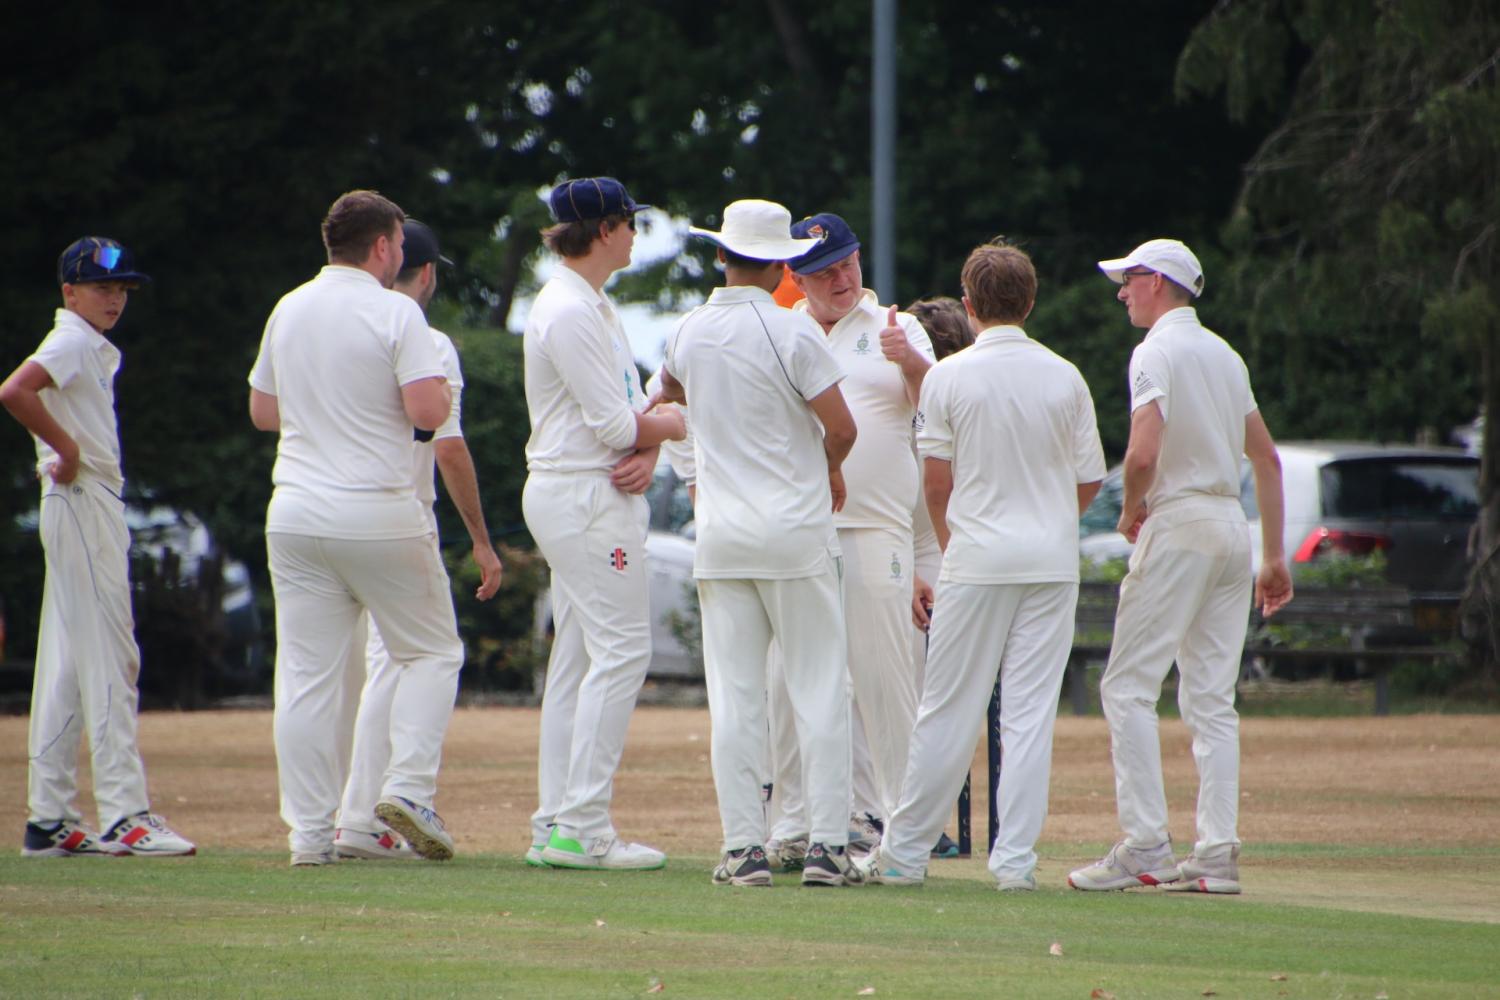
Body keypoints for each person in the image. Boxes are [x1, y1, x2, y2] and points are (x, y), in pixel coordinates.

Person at [855, 242, 1105, 890]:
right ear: (1032, 300)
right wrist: (1049, 523)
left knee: (947, 709)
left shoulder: (949, 376)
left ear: (969, 306)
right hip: (1050, 564)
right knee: (1027, 714)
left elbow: (936, 486)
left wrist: (952, 545)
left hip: (976, 557)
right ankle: (1014, 864)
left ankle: (905, 855)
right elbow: (1088, 481)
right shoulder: (1066, 376)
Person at [1068, 238, 1293, 895]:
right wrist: (1274, 556)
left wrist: (1130, 509)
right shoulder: (1224, 354)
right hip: (1231, 531)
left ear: (1158, 283)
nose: (1121, 292)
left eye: (1129, 280)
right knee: (1210, 701)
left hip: (1182, 522)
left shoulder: (1155, 351)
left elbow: (1141, 454)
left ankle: (1145, 846)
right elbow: (1267, 461)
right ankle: (1216, 854)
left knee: (1128, 687)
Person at [249, 190, 465, 867]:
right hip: (374, 507)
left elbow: (263, 411)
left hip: (294, 511)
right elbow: (427, 412)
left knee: (309, 679)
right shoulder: (396, 311)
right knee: (432, 652)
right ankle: (407, 789)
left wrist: (331, 409)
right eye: (398, 244)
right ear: (381, 247)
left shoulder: (289, 306)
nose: (402, 255)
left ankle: (310, 837)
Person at [659, 198, 861, 888]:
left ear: (722, 255)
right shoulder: (794, 332)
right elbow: (844, 429)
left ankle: (744, 848)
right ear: (784, 262)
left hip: (722, 536)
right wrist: (828, 470)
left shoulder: (686, 329)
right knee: (819, 690)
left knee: (738, 697)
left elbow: (669, 397)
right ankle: (829, 847)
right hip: (795, 534)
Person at [1, 238, 196, 858]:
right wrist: (69, 450)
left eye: (122, 290)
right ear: (70, 292)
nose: (115, 299)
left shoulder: (87, 343)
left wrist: (65, 451)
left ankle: (49, 818)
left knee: (64, 666)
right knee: (113, 658)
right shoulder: (72, 340)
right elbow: (15, 391)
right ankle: (125, 814)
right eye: (102, 288)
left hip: (83, 506)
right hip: (83, 502)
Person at [523, 177, 686, 871]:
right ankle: (581, 829)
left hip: (586, 490)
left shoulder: (590, 303)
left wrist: (650, 443)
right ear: (601, 229)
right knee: (623, 654)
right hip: (586, 496)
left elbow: (624, 420)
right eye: (627, 222)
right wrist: (672, 426)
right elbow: (618, 424)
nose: (634, 233)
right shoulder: (571, 310)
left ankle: (554, 821)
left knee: (581, 658)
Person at [333, 219, 504, 861]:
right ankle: (393, 799)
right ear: (426, 273)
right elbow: (449, 446)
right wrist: (483, 543)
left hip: (325, 514)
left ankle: (348, 818)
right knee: (423, 657)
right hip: (399, 519)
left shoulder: (339, 331)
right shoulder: (424, 340)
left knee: (354, 669)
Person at [786, 214, 935, 840]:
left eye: (847, 263)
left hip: (877, 529)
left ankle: (904, 832)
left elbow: (942, 419)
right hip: (800, 530)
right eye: (824, 272)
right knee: (803, 687)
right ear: (796, 278)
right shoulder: (783, 330)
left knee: (884, 681)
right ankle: (818, 823)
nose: (841, 279)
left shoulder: (897, 328)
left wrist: (914, 365)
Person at [904, 295, 975, 860]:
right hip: (911, 543)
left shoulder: (945, 391)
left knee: (929, 690)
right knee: (912, 689)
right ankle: (912, 818)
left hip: (934, 544)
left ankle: (921, 819)